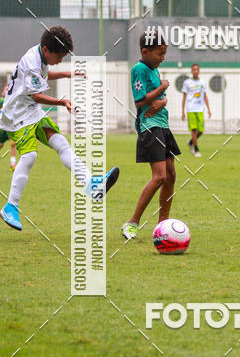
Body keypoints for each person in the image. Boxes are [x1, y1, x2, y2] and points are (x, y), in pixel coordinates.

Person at [0, 26, 119, 231]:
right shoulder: (31, 63)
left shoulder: (40, 56)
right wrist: (63, 101)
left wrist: (67, 74)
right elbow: (36, 95)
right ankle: (10, 206)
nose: (61, 60)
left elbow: (43, 77)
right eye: (60, 57)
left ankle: (93, 185)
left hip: (31, 111)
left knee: (61, 143)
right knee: (29, 157)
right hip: (16, 116)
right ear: (46, 50)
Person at [122, 33, 180, 240]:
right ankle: (132, 223)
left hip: (163, 125)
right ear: (145, 52)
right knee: (160, 177)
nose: (163, 57)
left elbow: (160, 98)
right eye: (160, 53)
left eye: (164, 53)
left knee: (171, 176)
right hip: (150, 126)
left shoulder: (154, 69)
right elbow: (140, 101)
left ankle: (162, 226)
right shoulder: (139, 69)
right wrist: (162, 88)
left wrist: (162, 100)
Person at [181, 63, 211, 157]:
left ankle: (191, 142)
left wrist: (209, 109)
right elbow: (184, 97)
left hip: (200, 109)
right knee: (194, 130)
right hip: (191, 109)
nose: (196, 71)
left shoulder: (202, 82)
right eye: (194, 69)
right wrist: (183, 111)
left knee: (201, 130)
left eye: (197, 69)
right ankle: (196, 149)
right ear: (191, 71)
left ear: (199, 71)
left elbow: (205, 96)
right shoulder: (187, 82)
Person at [0, 82, 17, 169]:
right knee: (1, 145)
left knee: (13, 143)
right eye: (6, 90)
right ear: (3, 92)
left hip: (11, 126)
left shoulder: (15, 102)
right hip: (2, 127)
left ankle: (13, 163)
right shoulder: (1, 101)